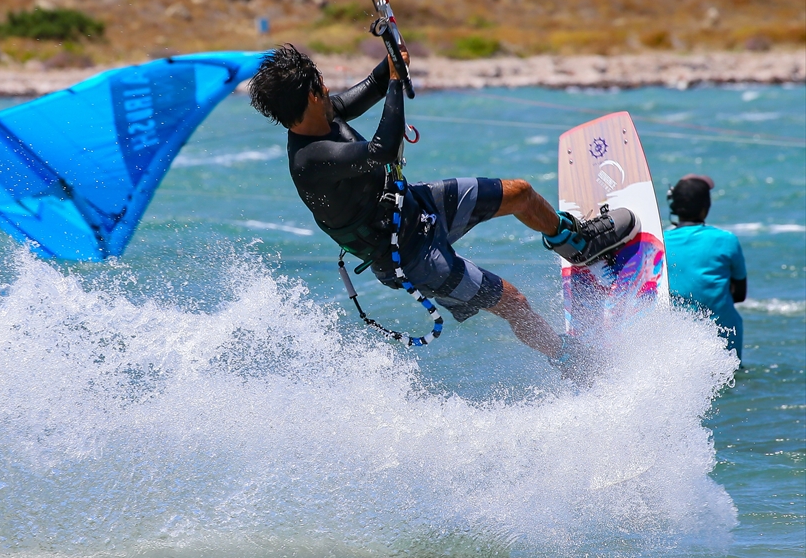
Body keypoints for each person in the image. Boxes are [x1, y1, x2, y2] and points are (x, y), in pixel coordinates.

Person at [247, 44, 638, 368]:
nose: (329, 91)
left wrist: (391, 58)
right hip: (409, 256)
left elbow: (372, 85)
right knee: (515, 303)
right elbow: (382, 150)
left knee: (519, 192)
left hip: (415, 206)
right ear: (312, 94)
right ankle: (572, 362)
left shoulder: (317, 112)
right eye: (322, 86)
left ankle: (575, 242)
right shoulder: (310, 159)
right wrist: (398, 84)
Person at [664, 174, 747, 361]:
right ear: (705, 208)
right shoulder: (727, 240)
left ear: (674, 207)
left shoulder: (658, 243)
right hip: (723, 341)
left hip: (675, 340)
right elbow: (740, 295)